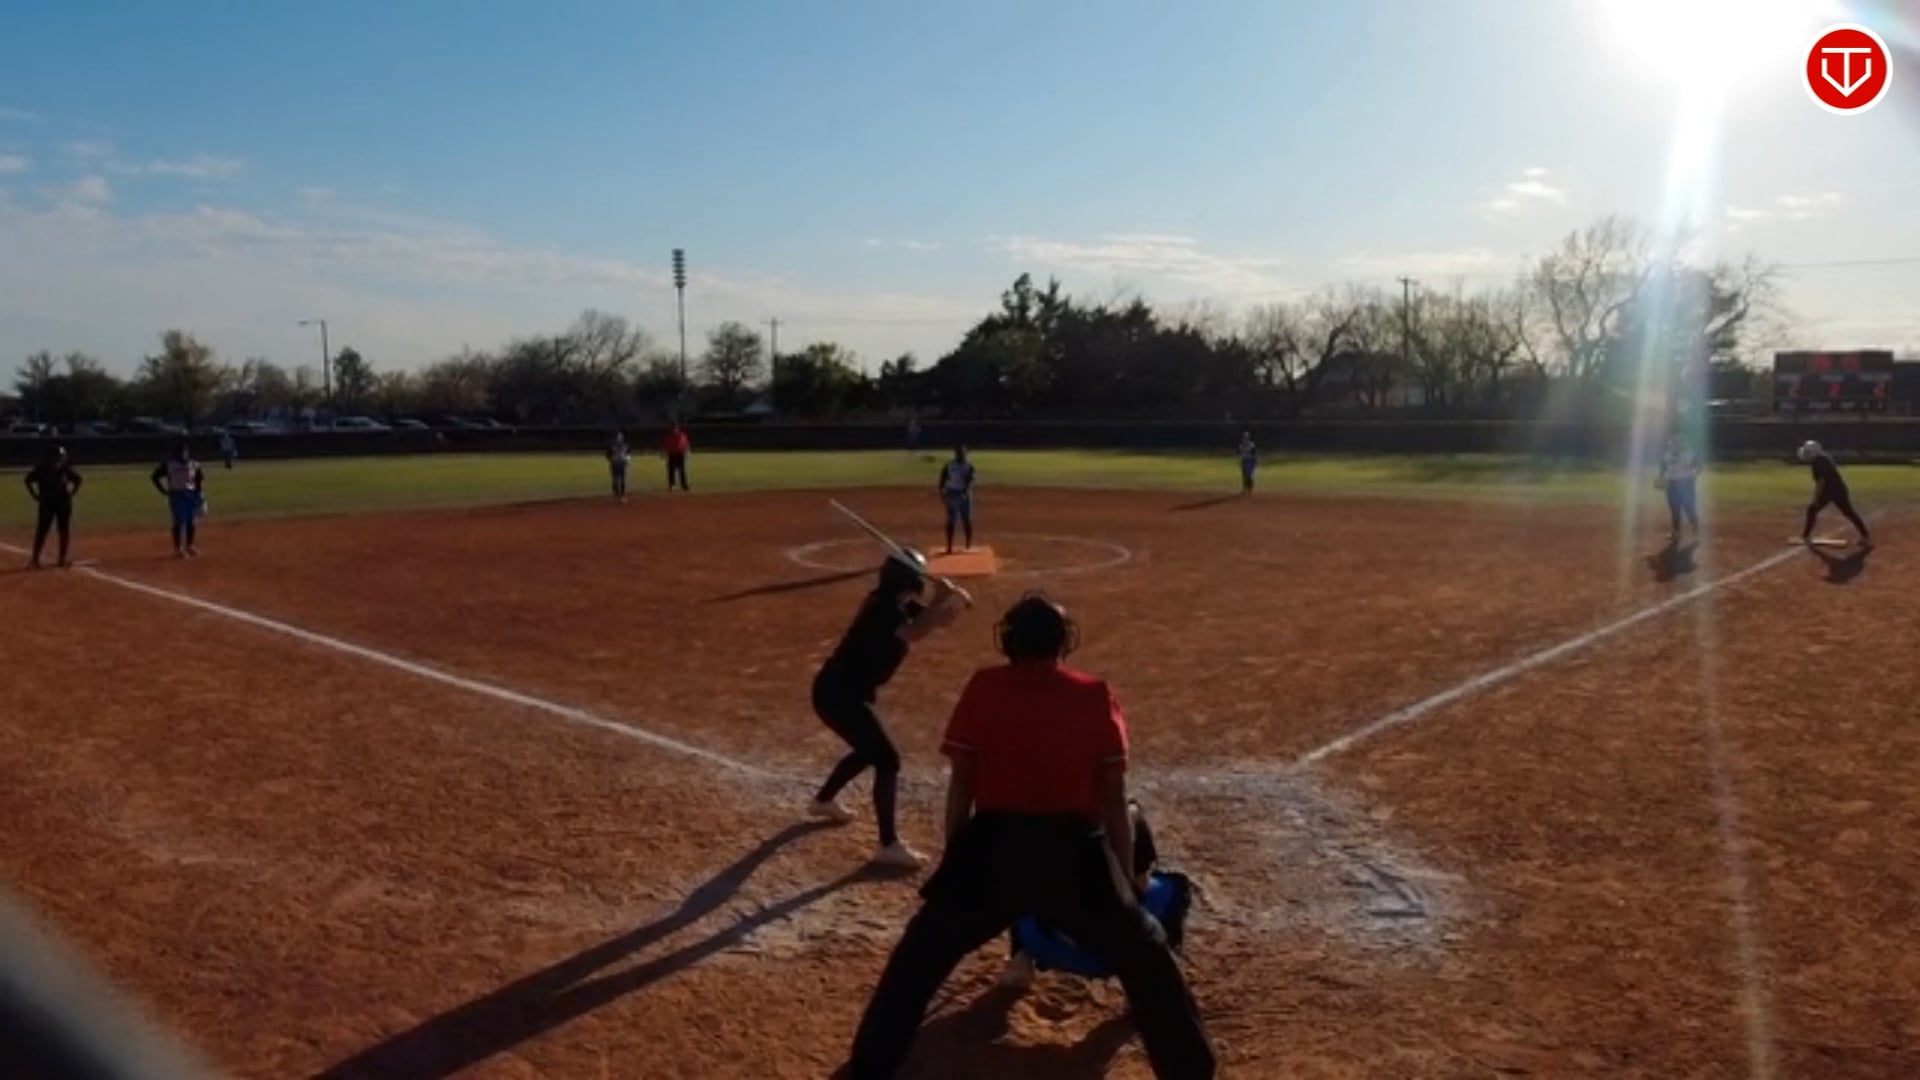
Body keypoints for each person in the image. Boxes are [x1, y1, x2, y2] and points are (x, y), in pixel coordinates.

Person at [842, 594, 1216, 1079]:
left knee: (918, 957)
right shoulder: (1094, 694)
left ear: (1010, 642)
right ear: (1064, 642)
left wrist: (958, 863)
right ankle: (1191, 1073)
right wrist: (1122, 888)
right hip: (1076, 854)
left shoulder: (983, 687)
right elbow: (1113, 802)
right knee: (1148, 955)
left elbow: (962, 787)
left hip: (992, 847)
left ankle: (870, 1067)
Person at [808, 550, 968, 869]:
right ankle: (887, 845)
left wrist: (954, 601)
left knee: (870, 750)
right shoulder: (884, 607)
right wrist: (941, 598)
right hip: (839, 694)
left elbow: (937, 621)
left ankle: (823, 801)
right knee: (887, 758)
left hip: (843, 692)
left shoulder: (897, 602)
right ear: (908, 579)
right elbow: (915, 631)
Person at [1000, 798, 1195, 989]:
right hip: (1113, 956)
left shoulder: (1051, 824)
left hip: (1048, 945)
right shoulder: (1125, 819)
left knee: (1022, 879)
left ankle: (1020, 961)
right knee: (1177, 887)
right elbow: (1140, 887)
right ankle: (1157, 979)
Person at [1798, 440, 1871, 546]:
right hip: (1839, 489)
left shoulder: (1818, 462)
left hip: (1830, 490)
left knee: (1812, 509)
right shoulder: (1823, 458)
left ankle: (1805, 536)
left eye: (1807, 452)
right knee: (1849, 512)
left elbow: (1821, 482)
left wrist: (1816, 497)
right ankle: (1865, 536)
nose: (1806, 455)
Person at [23, 445, 82, 570]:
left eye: (61, 457)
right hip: (47, 503)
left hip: (63, 503)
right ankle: (35, 559)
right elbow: (27, 480)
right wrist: (35, 495)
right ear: (50, 457)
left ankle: (62, 558)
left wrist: (71, 493)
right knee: (42, 530)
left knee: (64, 529)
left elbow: (78, 480)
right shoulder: (42, 468)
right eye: (58, 457)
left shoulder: (65, 468)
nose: (60, 459)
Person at [150, 440, 206, 558]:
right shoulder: (169, 465)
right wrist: (163, 490)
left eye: (184, 451)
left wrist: (200, 494)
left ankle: (190, 545)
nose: (182, 454)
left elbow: (199, 479)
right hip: (177, 494)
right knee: (179, 521)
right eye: (179, 452)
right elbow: (155, 476)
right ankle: (178, 548)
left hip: (191, 494)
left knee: (191, 520)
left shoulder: (194, 464)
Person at [1657, 431, 1701, 540]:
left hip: (1686, 484)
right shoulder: (1667, 454)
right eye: (1673, 442)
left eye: (1678, 442)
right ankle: (1676, 532)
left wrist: (1693, 475)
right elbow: (1663, 466)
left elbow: (1699, 466)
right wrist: (1660, 477)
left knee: (1689, 508)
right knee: (1674, 509)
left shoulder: (1690, 453)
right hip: (1672, 484)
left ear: (1683, 443)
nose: (1675, 444)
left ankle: (1696, 530)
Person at [936, 446, 976, 554]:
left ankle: (968, 544)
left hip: (964, 495)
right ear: (956, 454)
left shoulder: (969, 466)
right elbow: (943, 478)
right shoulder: (949, 465)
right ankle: (949, 546)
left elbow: (970, 479)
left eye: (963, 453)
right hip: (952, 493)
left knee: (966, 519)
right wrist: (941, 491)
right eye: (959, 453)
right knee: (951, 520)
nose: (961, 455)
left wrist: (965, 491)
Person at [661, 423, 691, 492]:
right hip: (672, 454)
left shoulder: (682, 435)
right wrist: (663, 453)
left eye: (675, 428)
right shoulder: (668, 436)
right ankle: (672, 485)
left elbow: (686, 444)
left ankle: (684, 485)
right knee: (671, 471)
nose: (674, 429)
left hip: (680, 454)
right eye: (672, 428)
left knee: (682, 471)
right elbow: (664, 445)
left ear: (677, 428)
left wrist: (687, 452)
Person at [607, 431, 631, 501]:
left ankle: (622, 495)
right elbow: (608, 454)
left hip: (622, 464)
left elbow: (628, 454)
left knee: (622, 480)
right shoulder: (612, 446)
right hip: (614, 464)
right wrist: (611, 459)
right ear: (616, 438)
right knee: (615, 480)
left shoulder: (625, 446)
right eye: (618, 437)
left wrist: (627, 460)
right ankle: (616, 494)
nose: (619, 438)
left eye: (621, 437)